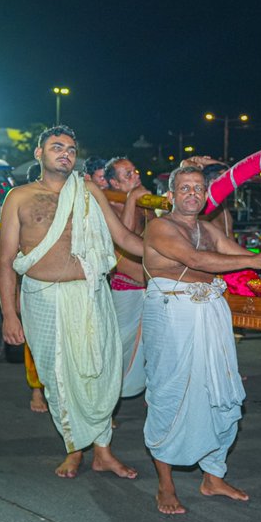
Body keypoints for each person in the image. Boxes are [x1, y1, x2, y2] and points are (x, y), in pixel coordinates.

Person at [0, 126, 144, 479]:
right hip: (43, 298)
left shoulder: (89, 189)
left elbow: (123, 238)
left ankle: (103, 452)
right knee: (57, 376)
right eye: (56, 147)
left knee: (99, 370)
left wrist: (174, 257)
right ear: (39, 154)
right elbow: (5, 261)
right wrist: (8, 314)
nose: (65, 153)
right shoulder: (18, 197)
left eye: (70, 148)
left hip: (90, 295)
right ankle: (74, 448)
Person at [142, 166, 261, 514]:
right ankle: (165, 484)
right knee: (170, 394)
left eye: (199, 189)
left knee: (222, 393)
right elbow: (195, 259)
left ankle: (213, 475)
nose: (192, 194)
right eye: (184, 188)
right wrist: (254, 258)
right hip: (173, 313)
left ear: (205, 196)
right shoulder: (160, 226)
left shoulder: (208, 228)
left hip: (211, 314)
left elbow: (232, 255)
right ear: (170, 195)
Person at [105, 155, 150, 399]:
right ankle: (106, 398)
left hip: (149, 282)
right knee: (118, 345)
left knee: (153, 342)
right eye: (127, 175)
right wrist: (132, 199)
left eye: (135, 171)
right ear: (114, 183)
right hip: (125, 285)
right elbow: (125, 238)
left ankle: (151, 392)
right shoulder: (108, 205)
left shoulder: (144, 199)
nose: (135, 176)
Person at [20, 161, 47, 413]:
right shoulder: (19, 205)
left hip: (62, 283)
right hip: (33, 281)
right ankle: (36, 390)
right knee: (34, 341)